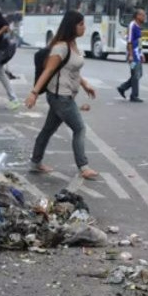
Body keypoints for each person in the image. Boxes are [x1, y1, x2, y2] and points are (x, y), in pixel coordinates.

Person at [24, 11, 99, 180]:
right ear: (72, 26)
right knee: (79, 128)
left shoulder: (72, 44)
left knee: (48, 130)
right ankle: (83, 166)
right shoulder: (61, 47)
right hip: (60, 97)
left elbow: (71, 70)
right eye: (81, 24)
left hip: (64, 96)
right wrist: (34, 93)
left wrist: (85, 84)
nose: (84, 27)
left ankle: (35, 162)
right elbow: (49, 70)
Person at [116, 8, 146, 103]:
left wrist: (141, 54)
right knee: (135, 74)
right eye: (142, 15)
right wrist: (130, 55)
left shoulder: (138, 26)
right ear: (137, 16)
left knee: (138, 74)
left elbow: (139, 42)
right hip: (133, 54)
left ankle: (122, 87)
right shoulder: (132, 25)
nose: (144, 17)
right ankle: (134, 95)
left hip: (138, 54)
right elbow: (129, 41)